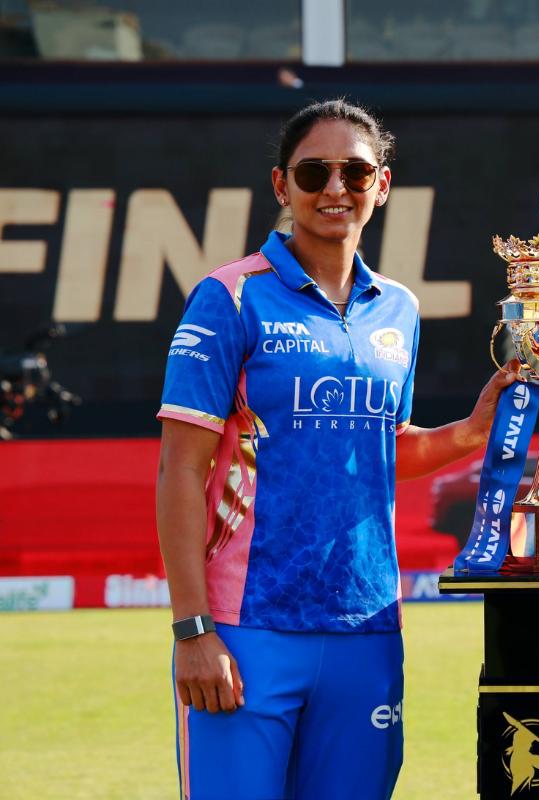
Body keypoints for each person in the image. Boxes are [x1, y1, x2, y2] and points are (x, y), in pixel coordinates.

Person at [156, 99, 517, 800]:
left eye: (355, 172)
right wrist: (193, 627)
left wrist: (469, 433)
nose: (334, 189)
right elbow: (181, 468)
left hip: (366, 625)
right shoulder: (228, 297)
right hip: (246, 628)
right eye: (314, 172)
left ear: (381, 185)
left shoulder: (399, 309)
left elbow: (387, 451)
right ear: (280, 186)